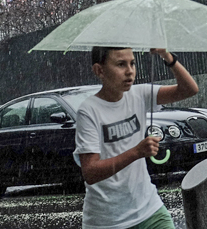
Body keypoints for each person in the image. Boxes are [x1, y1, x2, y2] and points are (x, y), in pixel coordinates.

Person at [75, 46, 199, 229]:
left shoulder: (139, 94)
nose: (129, 71)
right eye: (120, 64)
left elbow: (189, 89)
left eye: (132, 63)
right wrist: (136, 152)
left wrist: (167, 56)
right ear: (99, 70)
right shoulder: (89, 110)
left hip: (150, 211)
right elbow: (91, 172)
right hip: (107, 222)